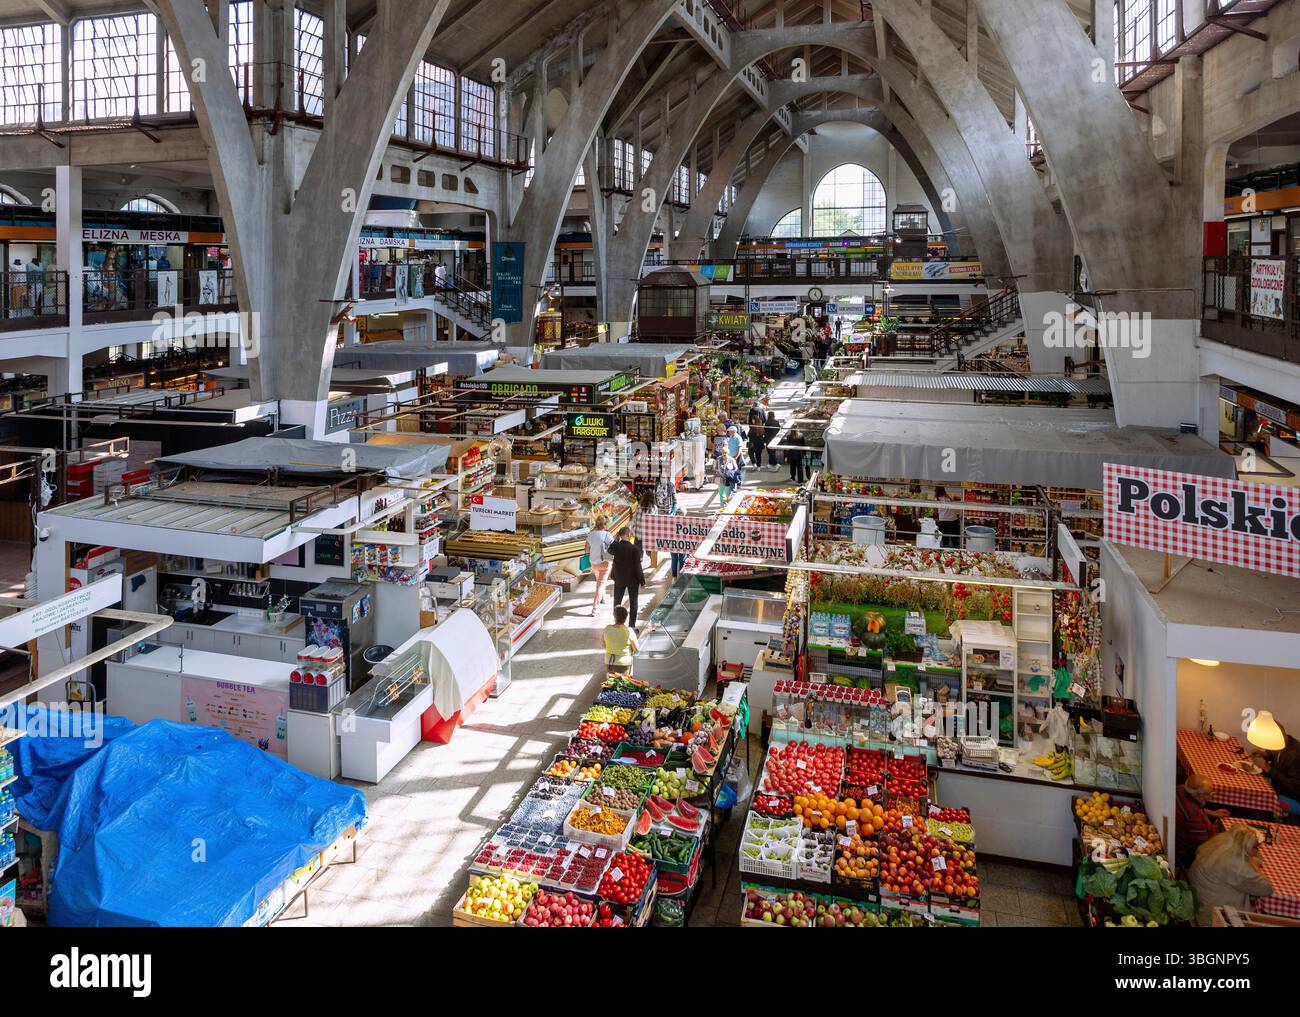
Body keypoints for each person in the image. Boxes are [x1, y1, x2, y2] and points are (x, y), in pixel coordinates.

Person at [1188, 824, 1274, 926]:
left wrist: (1252, 858)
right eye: (1256, 847)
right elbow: (1267, 888)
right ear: (1244, 847)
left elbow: (1257, 856)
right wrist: (1253, 864)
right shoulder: (1236, 865)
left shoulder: (1220, 844)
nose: (1258, 850)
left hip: (1201, 907)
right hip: (1217, 918)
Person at [1175, 773, 1229, 871]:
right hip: (1187, 854)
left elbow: (1196, 808)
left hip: (1179, 839)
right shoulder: (1194, 817)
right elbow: (1204, 845)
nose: (1213, 794)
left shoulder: (1180, 789)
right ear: (1201, 797)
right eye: (1211, 793)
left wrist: (1212, 813)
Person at [1246, 723, 1300, 816]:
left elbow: (1296, 786)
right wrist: (1265, 754)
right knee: (1251, 784)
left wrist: (1270, 770)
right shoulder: (1284, 742)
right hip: (1278, 787)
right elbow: (1278, 756)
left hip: (1293, 797)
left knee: (1259, 797)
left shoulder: (1295, 754)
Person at [608, 526, 646, 629]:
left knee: (617, 602)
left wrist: (616, 538)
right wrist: (642, 581)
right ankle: (631, 626)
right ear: (628, 535)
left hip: (619, 579)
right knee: (633, 603)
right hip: (632, 580)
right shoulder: (635, 549)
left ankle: (617, 623)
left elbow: (609, 549)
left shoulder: (616, 547)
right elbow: (638, 567)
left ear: (620, 535)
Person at [603, 605, 640, 675]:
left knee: (610, 683)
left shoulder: (607, 628)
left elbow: (604, 644)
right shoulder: (629, 631)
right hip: (624, 663)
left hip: (609, 661)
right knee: (623, 684)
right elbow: (636, 649)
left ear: (614, 617)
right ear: (626, 618)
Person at [586, 517, 612, 616]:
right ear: (605, 525)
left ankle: (604, 598)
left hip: (593, 563)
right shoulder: (608, 535)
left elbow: (587, 549)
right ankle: (595, 609)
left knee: (600, 581)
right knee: (600, 585)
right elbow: (613, 549)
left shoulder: (591, 535)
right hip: (604, 563)